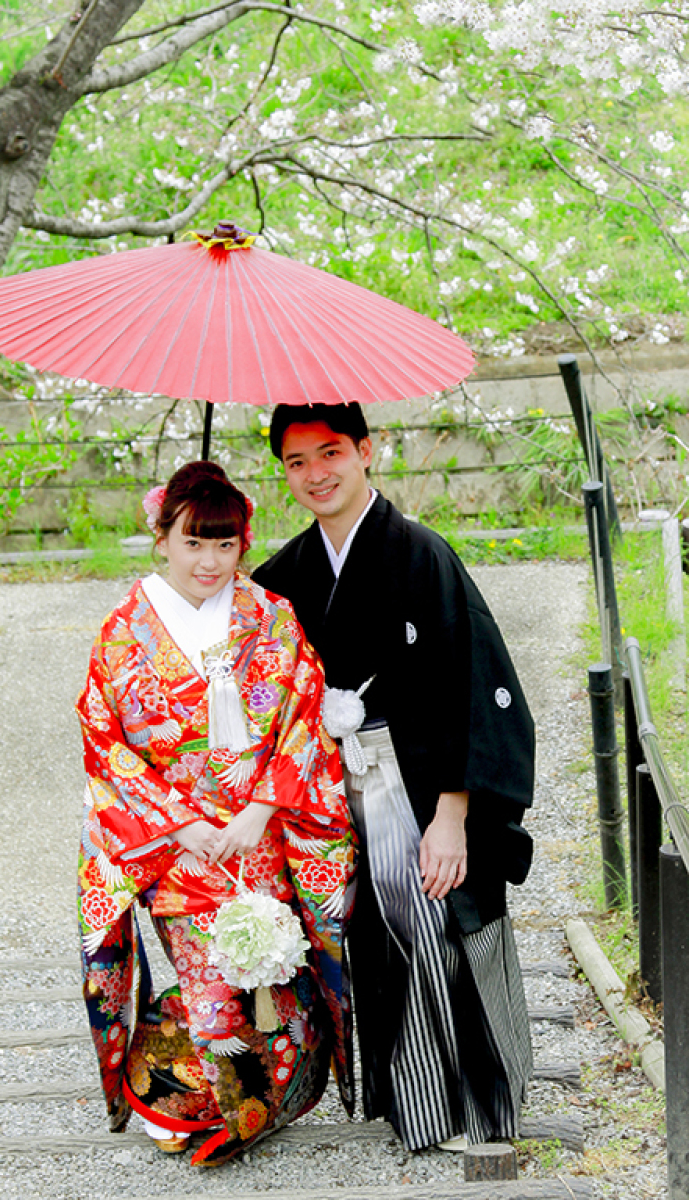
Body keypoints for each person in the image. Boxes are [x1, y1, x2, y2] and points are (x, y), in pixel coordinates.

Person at [252, 403, 535, 1153]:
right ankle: (405, 1102)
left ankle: (478, 1106)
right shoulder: (284, 575)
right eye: (296, 462)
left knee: (440, 925)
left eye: (330, 452)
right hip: (333, 794)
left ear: (367, 452)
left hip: (421, 788)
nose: (315, 474)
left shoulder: (422, 556)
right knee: (369, 940)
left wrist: (452, 816)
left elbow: (470, 687)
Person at [77, 461, 356, 1167]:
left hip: (260, 839)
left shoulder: (272, 617)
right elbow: (106, 743)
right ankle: (222, 1104)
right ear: (161, 536)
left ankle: (206, 1092)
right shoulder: (122, 632)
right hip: (180, 848)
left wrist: (261, 810)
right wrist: (182, 821)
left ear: (243, 544)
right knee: (215, 999)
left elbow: (303, 722)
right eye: (194, 542)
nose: (210, 561)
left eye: (225, 545)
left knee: (277, 998)